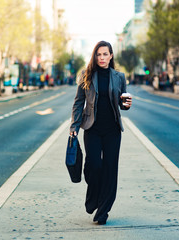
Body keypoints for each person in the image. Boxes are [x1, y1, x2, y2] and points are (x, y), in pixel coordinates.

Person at [70, 41, 132, 225]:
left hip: (112, 129)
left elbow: (122, 102)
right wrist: (74, 127)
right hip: (92, 129)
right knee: (93, 166)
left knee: (110, 170)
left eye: (105, 54)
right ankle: (93, 197)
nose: (102, 58)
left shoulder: (119, 77)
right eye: (99, 54)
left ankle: (103, 211)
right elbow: (78, 102)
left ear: (111, 56)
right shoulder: (86, 75)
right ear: (94, 56)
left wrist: (126, 104)